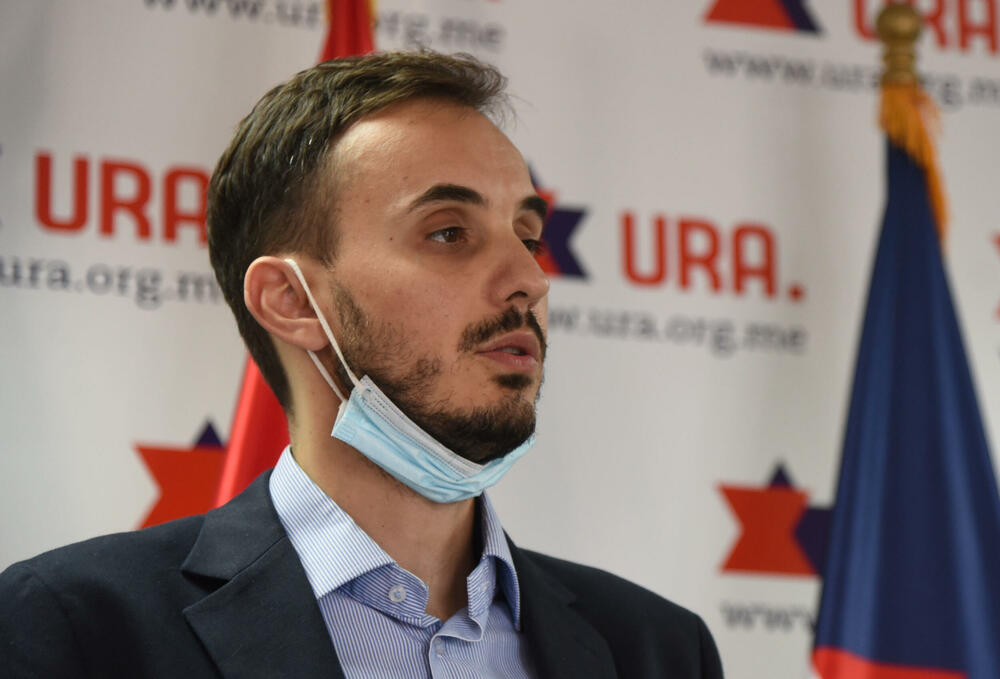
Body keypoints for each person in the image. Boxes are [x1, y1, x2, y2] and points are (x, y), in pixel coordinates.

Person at [0, 51, 723, 678]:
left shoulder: (659, 648)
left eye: (527, 236)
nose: (530, 280)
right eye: (449, 232)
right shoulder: (75, 628)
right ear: (291, 300)